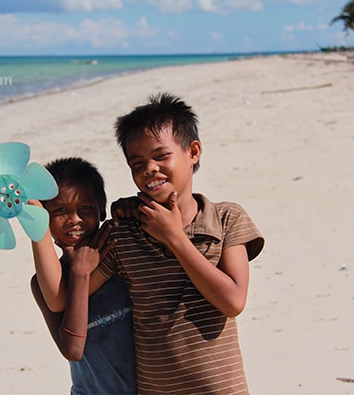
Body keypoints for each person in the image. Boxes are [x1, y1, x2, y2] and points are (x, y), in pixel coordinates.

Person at [87, 93, 265, 394]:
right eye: (138, 163)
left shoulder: (226, 219)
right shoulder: (124, 232)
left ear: (193, 151)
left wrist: (174, 237)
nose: (150, 169)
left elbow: (233, 301)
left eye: (161, 156)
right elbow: (71, 293)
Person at [29, 157, 137, 395]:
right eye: (60, 210)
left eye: (85, 208)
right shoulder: (43, 285)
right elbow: (73, 350)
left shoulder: (120, 256)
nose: (75, 219)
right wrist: (79, 273)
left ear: (101, 210)